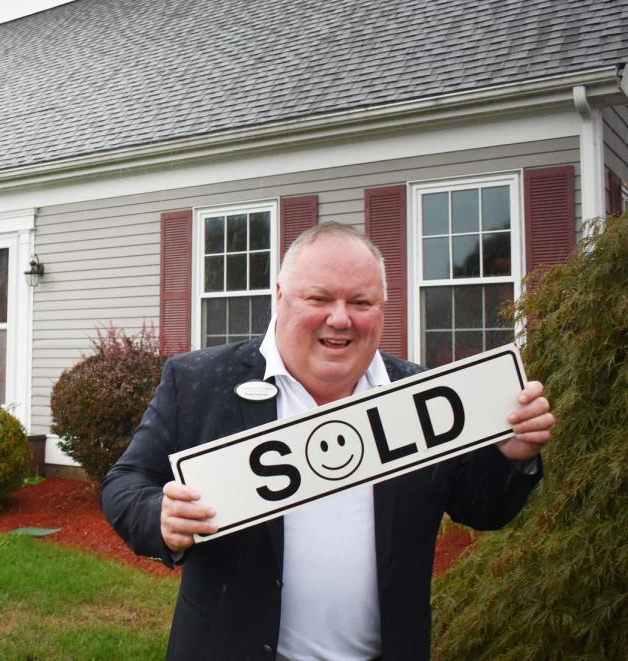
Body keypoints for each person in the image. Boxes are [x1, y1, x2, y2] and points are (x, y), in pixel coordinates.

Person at [101, 222, 554, 660]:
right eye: (318, 298)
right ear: (279, 297)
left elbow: (481, 507)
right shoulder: (198, 382)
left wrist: (512, 458)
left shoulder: (424, 399)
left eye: (361, 302)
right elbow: (126, 481)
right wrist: (160, 516)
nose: (340, 319)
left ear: (383, 306)